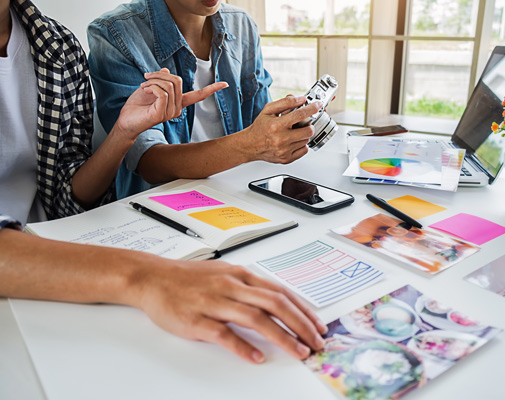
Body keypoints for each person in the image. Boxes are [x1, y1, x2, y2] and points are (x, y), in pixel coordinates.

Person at [0, 0, 325, 364]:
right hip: (119, 244)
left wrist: (122, 133)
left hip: (78, 244)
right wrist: (147, 278)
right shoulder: (113, 34)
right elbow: (149, 166)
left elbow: (66, 196)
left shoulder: (56, 45)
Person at [87, 0, 320, 198]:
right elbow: (148, 163)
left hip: (237, 195)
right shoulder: (115, 34)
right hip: (161, 205)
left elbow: (257, 125)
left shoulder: (241, 24)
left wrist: (286, 126)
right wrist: (251, 145)